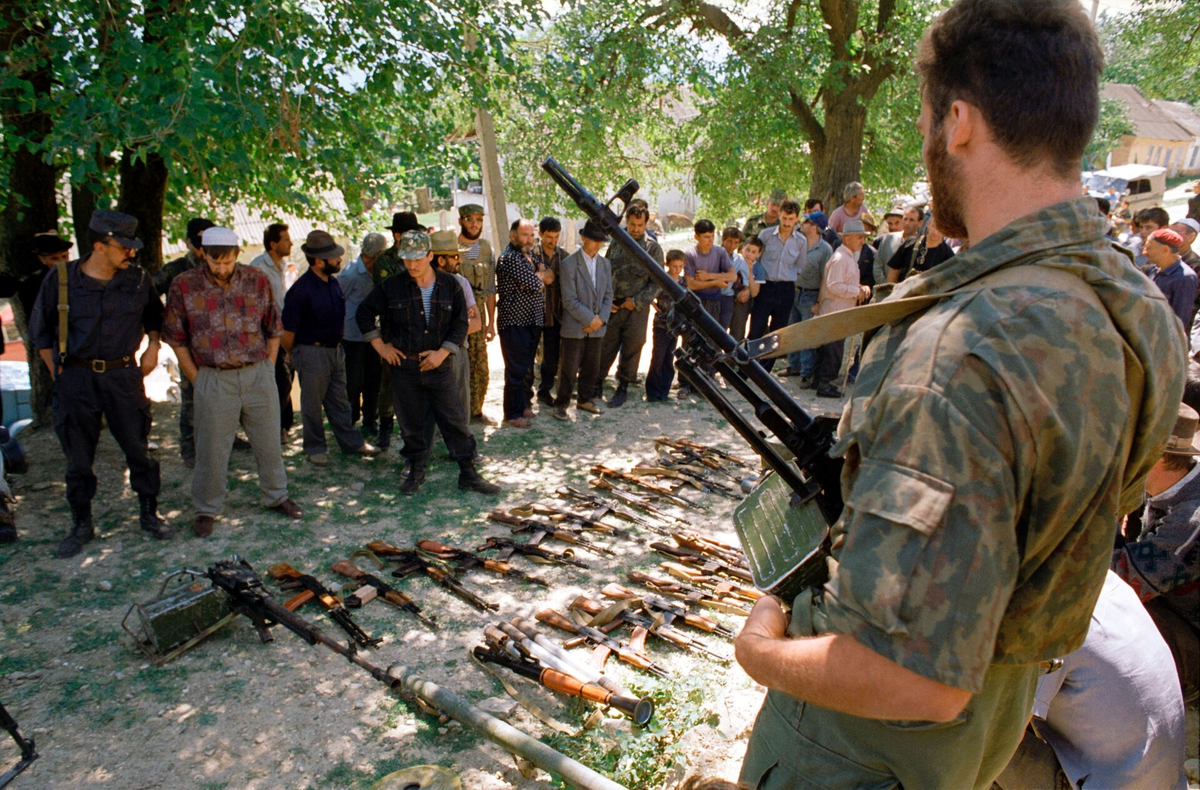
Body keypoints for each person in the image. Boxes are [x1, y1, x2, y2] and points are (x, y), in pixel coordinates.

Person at [735, 2, 1187, 788]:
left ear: (962, 122)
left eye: (923, 120)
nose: (925, 139)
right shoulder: (1134, 306)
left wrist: (760, 651)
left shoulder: (958, 347)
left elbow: (913, 682)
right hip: (998, 706)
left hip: (864, 750)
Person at [29, 209, 173, 558]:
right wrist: (57, 373)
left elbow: (155, 315)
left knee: (138, 448)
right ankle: (81, 523)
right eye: (123, 246)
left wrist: (153, 346)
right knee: (78, 457)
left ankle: (149, 513)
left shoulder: (138, 280)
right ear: (99, 245)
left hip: (123, 376)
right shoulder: (61, 279)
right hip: (76, 377)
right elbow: (42, 333)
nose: (131, 252)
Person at [162, 226, 303, 538]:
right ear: (203, 255)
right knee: (210, 448)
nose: (221, 268)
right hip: (213, 377)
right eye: (215, 262)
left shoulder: (257, 280)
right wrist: (197, 380)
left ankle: (277, 495)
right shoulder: (183, 286)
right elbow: (176, 338)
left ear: (237, 254)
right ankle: (206, 509)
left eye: (227, 262)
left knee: (269, 441)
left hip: (257, 373)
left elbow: (273, 328)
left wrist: (267, 366)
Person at [993, 571, 1188, 790]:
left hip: (1110, 783)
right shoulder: (1107, 581)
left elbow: (1006, 734)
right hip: (1165, 781)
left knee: (973, 729)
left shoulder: (1047, 615)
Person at [354, 230, 500, 495]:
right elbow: (364, 313)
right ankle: (415, 471)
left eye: (418, 259)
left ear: (430, 256)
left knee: (454, 419)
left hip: (439, 365)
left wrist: (442, 352)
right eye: (407, 259)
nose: (412, 265)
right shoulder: (392, 286)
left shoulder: (450, 285)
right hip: (405, 368)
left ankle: (468, 473)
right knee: (412, 424)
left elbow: (461, 324)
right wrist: (380, 346)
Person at [1111, 402, 1200, 702]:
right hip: (1174, 614)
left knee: (1102, 615)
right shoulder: (1175, 485)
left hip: (1190, 641)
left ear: (1157, 457)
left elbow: (1122, 582)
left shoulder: (1190, 519)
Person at [281, 230, 381, 467]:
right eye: (333, 257)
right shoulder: (301, 290)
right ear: (318, 261)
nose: (339, 260)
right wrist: (293, 354)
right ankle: (315, 447)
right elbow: (287, 332)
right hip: (311, 352)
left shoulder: (333, 283)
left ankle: (351, 442)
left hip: (335, 350)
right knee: (312, 404)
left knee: (339, 401)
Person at [154, 218, 214, 468]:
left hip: (220, 344)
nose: (203, 249)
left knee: (223, 393)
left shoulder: (221, 265)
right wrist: (166, 325)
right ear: (188, 243)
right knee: (191, 395)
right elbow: (148, 296)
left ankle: (227, 438)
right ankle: (189, 447)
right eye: (199, 242)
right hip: (188, 345)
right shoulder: (175, 270)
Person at [599, 204, 664, 408]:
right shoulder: (617, 242)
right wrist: (607, 300)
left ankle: (623, 385)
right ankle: (596, 382)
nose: (635, 229)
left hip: (636, 308)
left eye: (640, 225)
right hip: (614, 305)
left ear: (646, 224)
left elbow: (658, 282)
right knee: (606, 344)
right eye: (632, 224)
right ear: (626, 222)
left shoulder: (652, 248)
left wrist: (635, 302)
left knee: (633, 345)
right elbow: (606, 270)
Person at [369, 212, 422, 447]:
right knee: (389, 382)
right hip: (394, 330)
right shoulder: (385, 260)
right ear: (398, 235)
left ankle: (416, 428)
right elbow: (388, 293)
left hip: (419, 328)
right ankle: (386, 426)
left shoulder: (419, 256)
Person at [495, 219, 553, 429]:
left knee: (525, 368)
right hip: (514, 322)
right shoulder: (509, 258)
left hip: (532, 320)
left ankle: (522, 406)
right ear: (513, 235)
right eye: (524, 235)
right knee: (516, 370)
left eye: (531, 235)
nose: (529, 239)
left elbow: (550, 276)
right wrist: (539, 276)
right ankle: (512, 413)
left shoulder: (530, 255)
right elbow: (536, 284)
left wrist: (539, 275)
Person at [553, 221, 613, 421]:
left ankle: (585, 399)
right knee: (569, 368)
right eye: (594, 240)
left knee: (592, 365)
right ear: (583, 238)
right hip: (576, 325)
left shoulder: (605, 264)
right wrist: (590, 319)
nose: (597, 245)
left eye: (600, 242)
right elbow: (569, 299)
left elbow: (608, 295)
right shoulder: (569, 264)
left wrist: (601, 320)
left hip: (597, 327)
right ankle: (561, 403)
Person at [246, 223, 296, 442]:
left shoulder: (283, 266)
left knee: (286, 379)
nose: (291, 243)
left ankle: (283, 426)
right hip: (266, 335)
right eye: (285, 239)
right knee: (277, 380)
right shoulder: (259, 268)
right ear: (273, 244)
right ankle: (271, 428)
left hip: (285, 332)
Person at [810, 219, 870, 399]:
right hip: (835, 309)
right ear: (848, 238)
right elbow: (834, 285)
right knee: (833, 348)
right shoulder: (841, 258)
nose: (862, 241)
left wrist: (858, 288)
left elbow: (842, 283)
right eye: (860, 237)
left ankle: (819, 380)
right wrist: (856, 291)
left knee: (830, 347)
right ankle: (825, 383)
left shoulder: (847, 256)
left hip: (839, 308)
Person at [748, 201, 807, 373]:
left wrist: (786, 277)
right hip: (765, 286)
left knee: (777, 332)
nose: (787, 223)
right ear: (779, 216)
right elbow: (757, 260)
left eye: (791, 219)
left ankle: (765, 370)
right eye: (784, 218)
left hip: (785, 289)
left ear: (796, 219)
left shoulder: (801, 241)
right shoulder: (766, 235)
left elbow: (800, 266)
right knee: (756, 328)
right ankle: (749, 367)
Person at [430, 229, 483, 421]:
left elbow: (477, 323)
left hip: (458, 351)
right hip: (430, 352)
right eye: (454, 256)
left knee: (460, 401)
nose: (459, 260)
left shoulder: (461, 283)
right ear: (441, 260)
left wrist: (449, 328)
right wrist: (459, 322)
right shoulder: (421, 284)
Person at [338, 232, 387, 433]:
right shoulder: (349, 274)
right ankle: (350, 420)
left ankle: (369, 420)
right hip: (352, 336)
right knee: (352, 380)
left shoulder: (378, 272)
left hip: (373, 335)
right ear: (375, 254)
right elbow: (338, 301)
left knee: (373, 379)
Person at [781, 213, 834, 384]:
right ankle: (793, 365)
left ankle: (806, 372)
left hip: (811, 294)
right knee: (792, 329)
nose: (801, 224)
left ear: (814, 227)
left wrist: (819, 302)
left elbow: (826, 279)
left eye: (806, 221)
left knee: (807, 334)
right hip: (793, 291)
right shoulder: (797, 243)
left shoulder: (825, 249)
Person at [457, 204, 498, 424]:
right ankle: (459, 412)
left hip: (479, 314)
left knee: (480, 366)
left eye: (479, 220)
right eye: (470, 219)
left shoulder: (485, 248)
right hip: (457, 315)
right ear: (461, 221)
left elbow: (490, 288)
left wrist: (491, 323)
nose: (475, 224)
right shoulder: (451, 248)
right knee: (459, 365)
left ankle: (476, 410)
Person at [533, 217, 566, 408]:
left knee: (552, 358)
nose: (553, 241)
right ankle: (525, 394)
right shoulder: (531, 255)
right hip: (534, 314)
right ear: (540, 234)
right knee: (529, 356)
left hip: (555, 315)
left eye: (556, 237)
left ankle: (545, 390)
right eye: (549, 237)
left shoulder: (564, 257)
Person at [646, 250, 688, 402]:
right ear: (667, 265)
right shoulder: (662, 280)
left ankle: (664, 390)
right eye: (674, 266)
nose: (677, 269)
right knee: (658, 357)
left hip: (675, 325)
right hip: (661, 324)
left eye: (680, 266)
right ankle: (652, 392)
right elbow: (650, 293)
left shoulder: (683, 282)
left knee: (669, 358)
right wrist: (653, 304)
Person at [1142, 227, 1198, 329]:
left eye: (1148, 248)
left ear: (1165, 250)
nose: (1144, 252)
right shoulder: (1151, 270)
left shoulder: (1185, 278)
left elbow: (1179, 321)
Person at [684, 219, 736, 321]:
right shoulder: (691, 254)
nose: (710, 240)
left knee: (711, 334)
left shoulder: (720, 252)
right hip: (695, 300)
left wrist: (709, 276)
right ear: (696, 237)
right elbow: (690, 284)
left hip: (714, 300)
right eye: (706, 237)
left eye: (712, 236)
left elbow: (733, 276)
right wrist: (715, 282)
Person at [886, 217, 955, 282]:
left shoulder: (948, 254)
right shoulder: (910, 243)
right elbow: (894, 269)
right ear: (928, 224)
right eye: (933, 226)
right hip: (905, 290)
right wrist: (890, 291)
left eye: (940, 228)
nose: (935, 232)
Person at [873, 205, 920, 281]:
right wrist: (885, 285)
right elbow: (877, 265)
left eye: (897, 223)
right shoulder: (887, 239)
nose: (893, 227)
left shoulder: (920, 242)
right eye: (890, 224)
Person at [721, 228, 751, 339]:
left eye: (736, 242)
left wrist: (745, 289)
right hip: (713, 297)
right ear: (723, 240)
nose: (732, 245)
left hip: (730, 298)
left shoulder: (739, 260)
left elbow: (745, 281)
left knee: (732, 332)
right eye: (729, 241)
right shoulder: (713, 255)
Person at [731, 235, 760, 343]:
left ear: (758, 254)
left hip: (743, 303)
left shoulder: (758, 268)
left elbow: (755, 292)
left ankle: (735, 357)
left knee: (738, 331)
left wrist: (750, 271)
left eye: (753, 252)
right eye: (747, 250)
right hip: (728, 297)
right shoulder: (733, 260)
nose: (749, 254)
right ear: (742, 248)